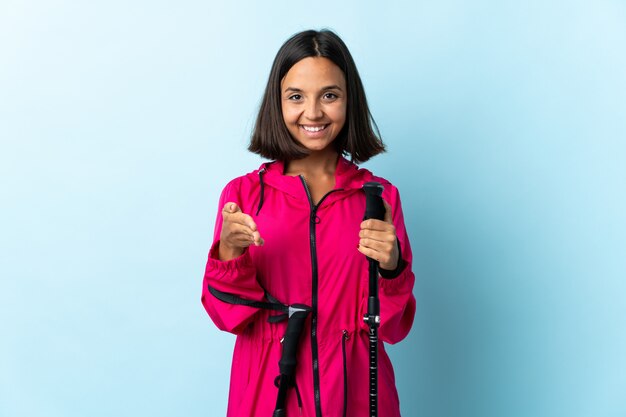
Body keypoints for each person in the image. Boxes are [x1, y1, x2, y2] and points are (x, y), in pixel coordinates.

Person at [201, 29, 416, 417]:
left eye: (329, 95)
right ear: (277, 103)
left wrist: (392, 267)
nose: (313, 112)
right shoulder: (244, 196)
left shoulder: (379, 197)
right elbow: (226, 316)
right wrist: (230, 253)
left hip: (356, 392)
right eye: (296, 96)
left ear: (350, 102)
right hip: (267, 392)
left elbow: (394, 327)